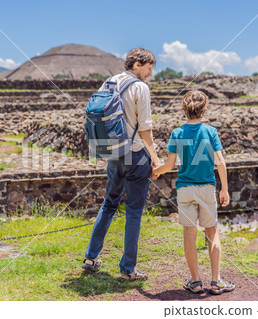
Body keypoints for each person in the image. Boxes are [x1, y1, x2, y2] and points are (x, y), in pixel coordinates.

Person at [82, 48, 160, 280]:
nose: (150, 74)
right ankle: (128, 269)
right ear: (137, 64)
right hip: (135, 154)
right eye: (149, 68)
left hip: (114, 153)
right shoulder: (140, 87)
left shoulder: (108, 83)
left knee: (109, 204)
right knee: (134, 211)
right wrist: (155, 159)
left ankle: (90, 257)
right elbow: (145, 128)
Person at [152, 91, 235, 295]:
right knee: (212, 232)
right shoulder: (210, 131)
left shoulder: (177, 133)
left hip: (185, 189)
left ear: (184, 109)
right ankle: (216, 282)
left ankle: (196, 282)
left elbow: (169, 165)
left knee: (189, 233)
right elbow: (221, 162)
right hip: (206, 187)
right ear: (204, 109)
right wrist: (224, 189)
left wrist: (155, 172)